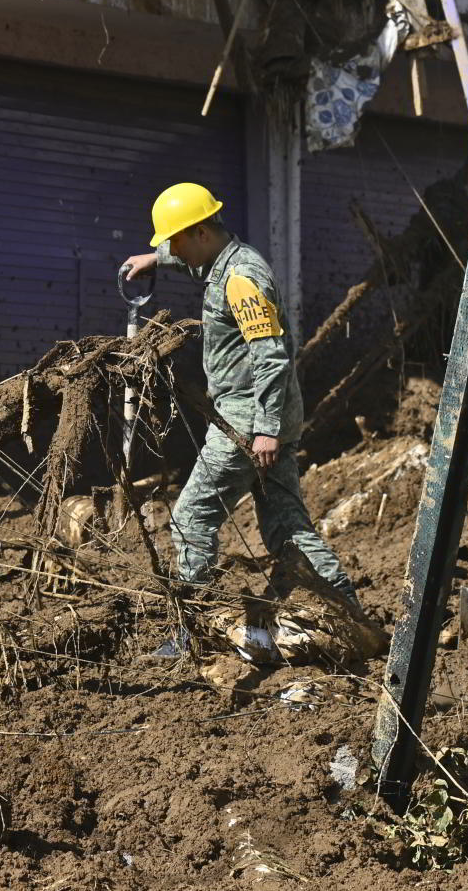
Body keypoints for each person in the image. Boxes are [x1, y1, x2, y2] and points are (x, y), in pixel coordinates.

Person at [121, 182, 356, 657]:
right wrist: (156, 261)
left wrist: (265, 428)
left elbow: (270, 356)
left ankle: (193, 633)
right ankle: (350, 612)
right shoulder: (222, 262)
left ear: (201, 230)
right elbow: (190, 257)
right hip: (264, 415)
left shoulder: (242, 278)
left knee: (190, 518)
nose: (170, 248)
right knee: (287, 525)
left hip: (249, 421)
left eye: (173, 241)